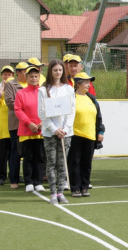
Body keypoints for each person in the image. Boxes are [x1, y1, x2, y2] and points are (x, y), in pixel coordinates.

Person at [38, 59, 76, 204]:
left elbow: (72, 110)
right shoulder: (43, 90)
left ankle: (61, 192)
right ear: (51, 72)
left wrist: (65, 129)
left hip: (66, 133)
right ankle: (53, 193)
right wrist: (54, 129)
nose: (58, 72)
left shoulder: (68, 89)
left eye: (60, 70)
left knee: (62, 163)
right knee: (51, 163)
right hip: (50, 133)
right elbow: (42, 113)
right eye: (55, 70)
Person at [68, 72, 105, 197]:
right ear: (78, 84)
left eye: (89, 82)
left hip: (90, 136)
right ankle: (75, 188)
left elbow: (98, 117)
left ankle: (84, 187)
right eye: (86, 82)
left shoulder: (92, 99)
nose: (89, 85)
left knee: (86, 163)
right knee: (75, 163)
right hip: (75, 135)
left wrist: (100, 131)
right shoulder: (71, 97)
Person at [14, 67, 45, 193]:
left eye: (35, 76)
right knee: (28, 157)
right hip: (27, 130)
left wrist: (43, 122)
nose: (33, 79)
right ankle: (29, 182)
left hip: (41, 130)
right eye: (31, 76)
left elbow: (49, 109)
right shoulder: (21, 93)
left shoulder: (44, 92)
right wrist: (29, 123)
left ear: (39, 77)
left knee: (40, 157)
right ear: (26, 78)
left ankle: (38, 182)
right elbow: (18, 110)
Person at [4, 62, 29, 189]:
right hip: (16, 124)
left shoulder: (32, 84)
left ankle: (28, 179)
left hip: (30, 124)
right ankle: (14, 179)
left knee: (28, 152)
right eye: (25, 71)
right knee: (16, 152)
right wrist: (27, 109)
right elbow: (9, 102)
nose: (28, 74)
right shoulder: (10, 84)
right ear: (18, 72)